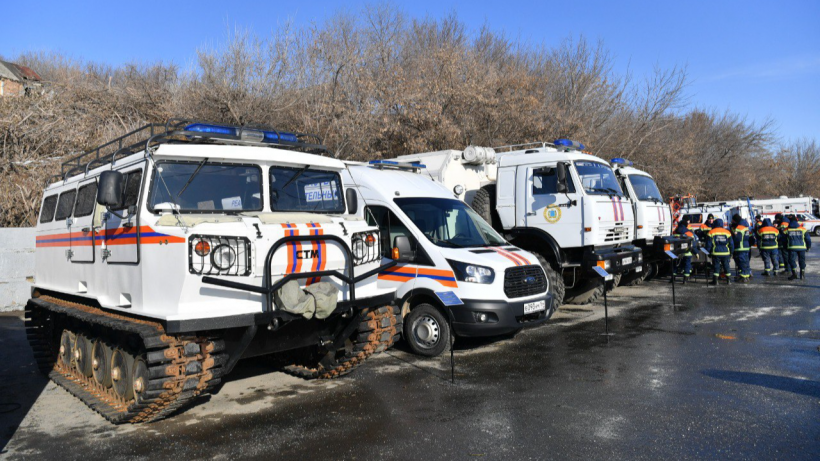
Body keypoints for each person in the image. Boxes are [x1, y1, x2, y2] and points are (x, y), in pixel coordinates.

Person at [706, 218, 734, 285]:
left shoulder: (711, 232)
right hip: (726, 252)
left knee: (716, 267)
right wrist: (731, 252)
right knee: (726, 266)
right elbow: (731, 244)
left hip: (716, 253)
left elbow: (708, 245)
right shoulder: (727, 232)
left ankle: (715, 281)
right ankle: (729, 281)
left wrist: (708, 252)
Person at [673, 217, 696, 283]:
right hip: (687, 252)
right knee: (687, 265)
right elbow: (693, 244)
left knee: (675, 265)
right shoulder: (689, 233)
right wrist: (696, 252)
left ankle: (673, 278)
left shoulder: (675, 231)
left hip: (677, 252)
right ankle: (685, 280)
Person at [730, 215, 751, 283]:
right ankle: (746, 275)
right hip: (746, 247)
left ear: (735, 220)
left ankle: (743, 277)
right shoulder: (746, 227)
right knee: (746, 262)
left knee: (742, 262)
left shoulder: (739, 228)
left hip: (740, 247)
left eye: (732, 220)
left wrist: (732, 239)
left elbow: (737, 238)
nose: (732, 221)